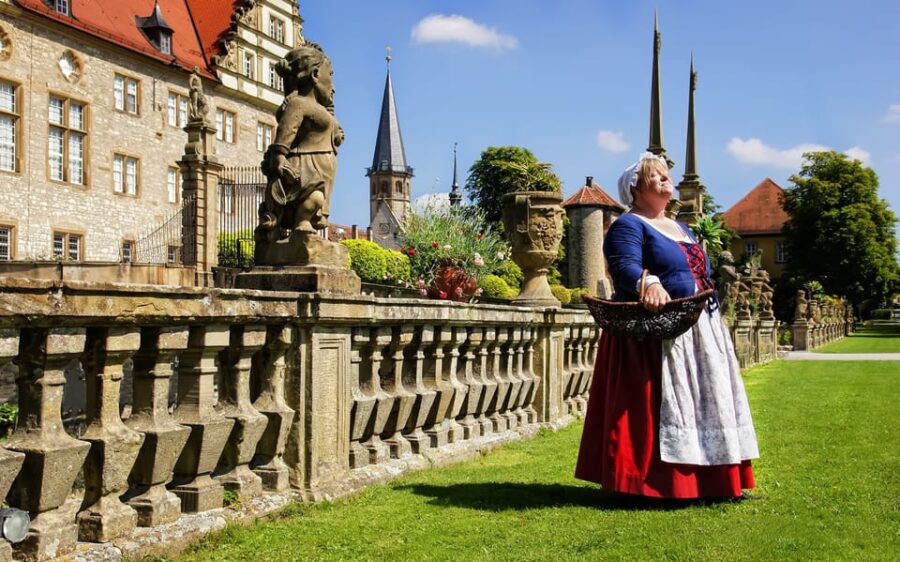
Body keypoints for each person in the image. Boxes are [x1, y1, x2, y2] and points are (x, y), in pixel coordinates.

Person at [575, 152, 759, 499]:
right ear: (636, 188)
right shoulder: (628, 224)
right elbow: (624, 265)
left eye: (665, 175)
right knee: (669, 403)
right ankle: (655, 483)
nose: (665, 180)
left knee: (710, 400)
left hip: (700, 324)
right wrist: (650, 283)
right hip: (657, 329)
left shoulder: (682, 228)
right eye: (656, 176)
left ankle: (719, 481)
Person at [257, 42, 344, 240]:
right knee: (313, 198)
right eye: (329, 75)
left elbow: (331, 129)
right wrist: (279, 157)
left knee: (318, 200)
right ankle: (300, 222)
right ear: (314, 75)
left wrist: (336, 132)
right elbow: (286, 132)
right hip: (305, 169)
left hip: (320, 170)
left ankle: (306, 221)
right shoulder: (298, 104)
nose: (333, 84)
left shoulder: (320, 109)